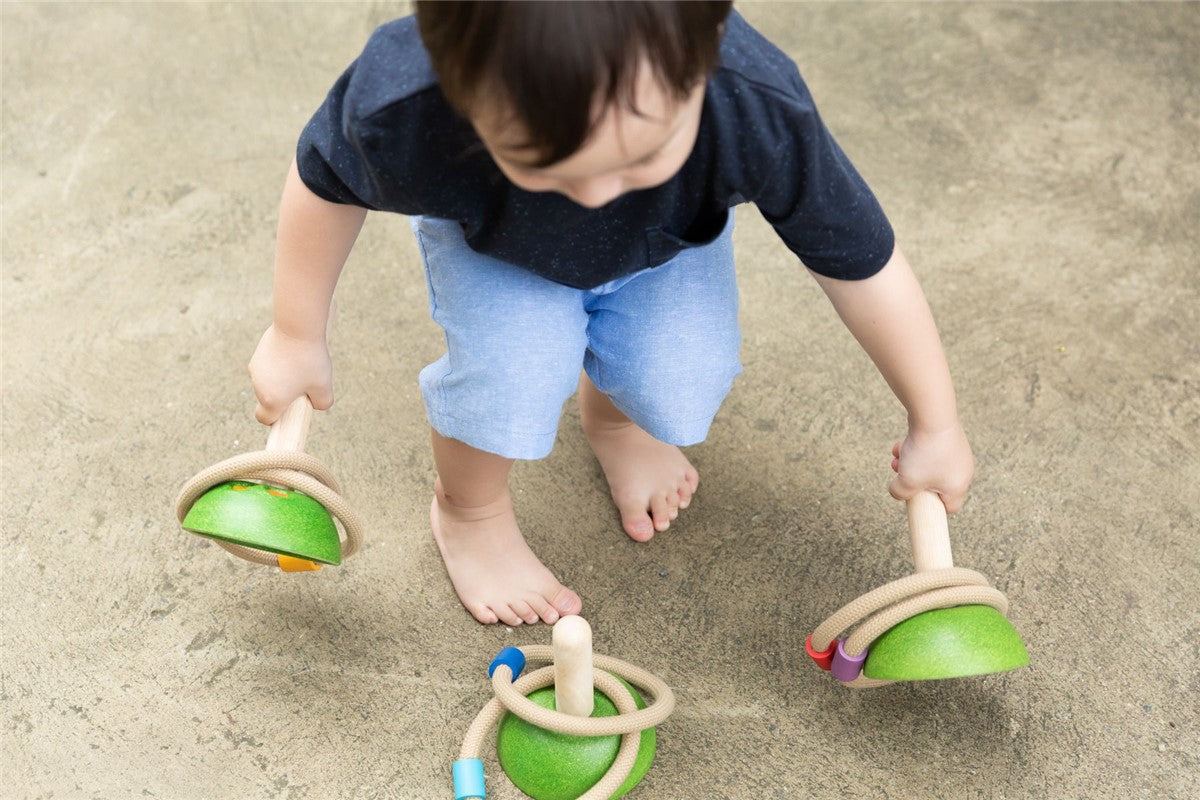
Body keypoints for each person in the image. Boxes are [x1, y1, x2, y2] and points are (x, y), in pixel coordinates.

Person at [248, 2, 974, 626]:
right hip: (497, 247)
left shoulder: (752, 102)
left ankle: (614, 418)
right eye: (544, 161)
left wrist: (934, 419)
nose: (594, 196)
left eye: (644, 153)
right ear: (457, 82)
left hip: (663, 249)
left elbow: (861, 264)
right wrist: (296, 331)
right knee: (510, 379)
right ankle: (469, 512)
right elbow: (325, 182)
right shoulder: (407, 99)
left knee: (685, 380)